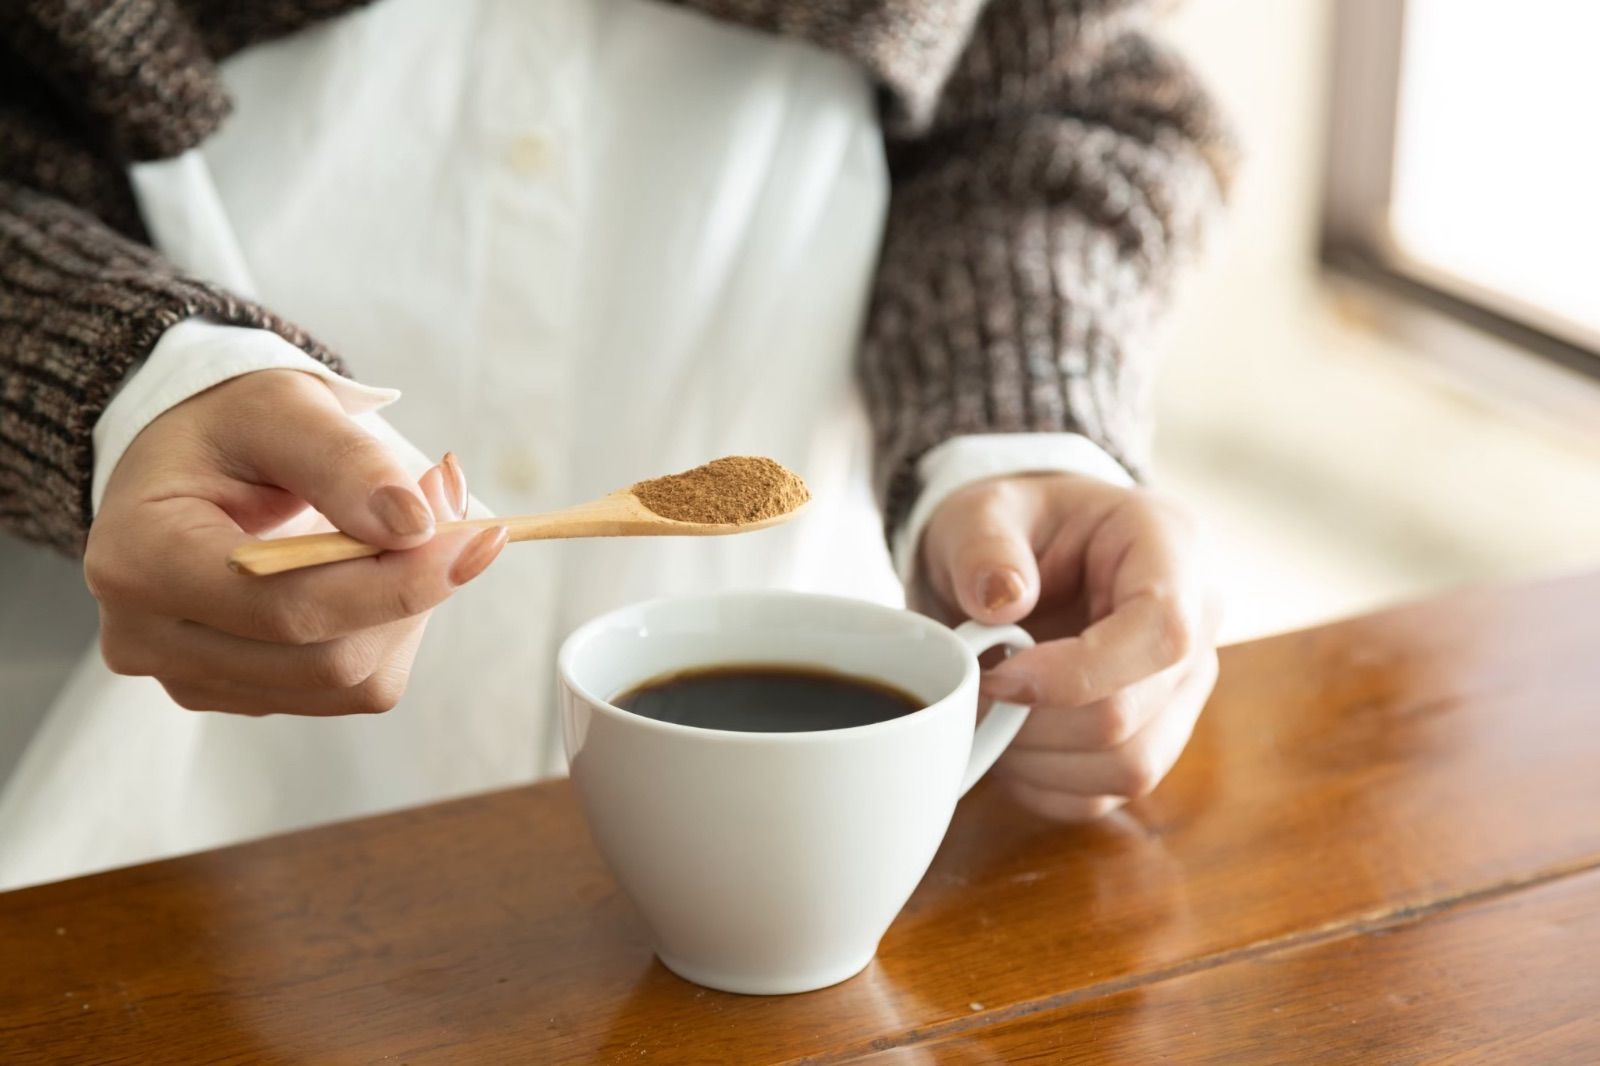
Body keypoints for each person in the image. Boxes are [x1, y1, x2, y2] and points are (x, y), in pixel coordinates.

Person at [0, 0, 1231, 888]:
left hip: (800, 820)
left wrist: (1013, 421)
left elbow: (1051, 97)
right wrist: (118, 382)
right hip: (125, 830)